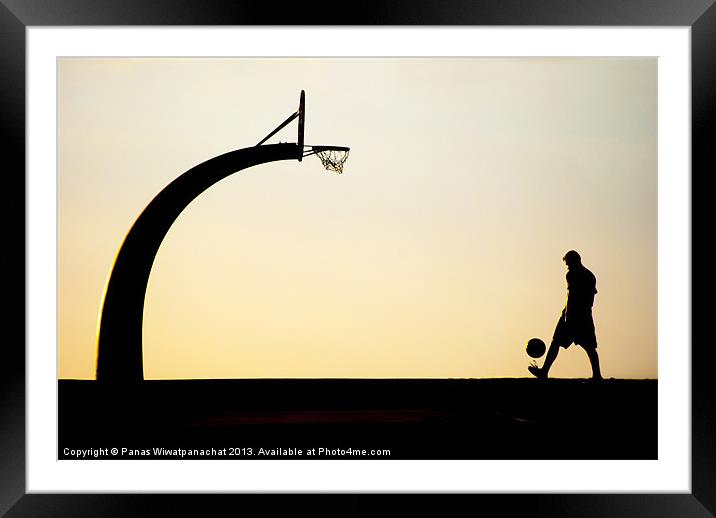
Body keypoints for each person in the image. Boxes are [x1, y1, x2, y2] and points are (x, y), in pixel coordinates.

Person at [529, 250, 603, 380]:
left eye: (568, 263)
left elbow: (572, 296)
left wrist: (567, 315)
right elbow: (591, 298)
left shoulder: (572, 274)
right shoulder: (590, 275)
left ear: (573, 261)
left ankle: (544, 371)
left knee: (556, 342)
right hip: (585, 314)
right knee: (589, 346)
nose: (567, 266)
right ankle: (597, 375)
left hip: (572, 315)